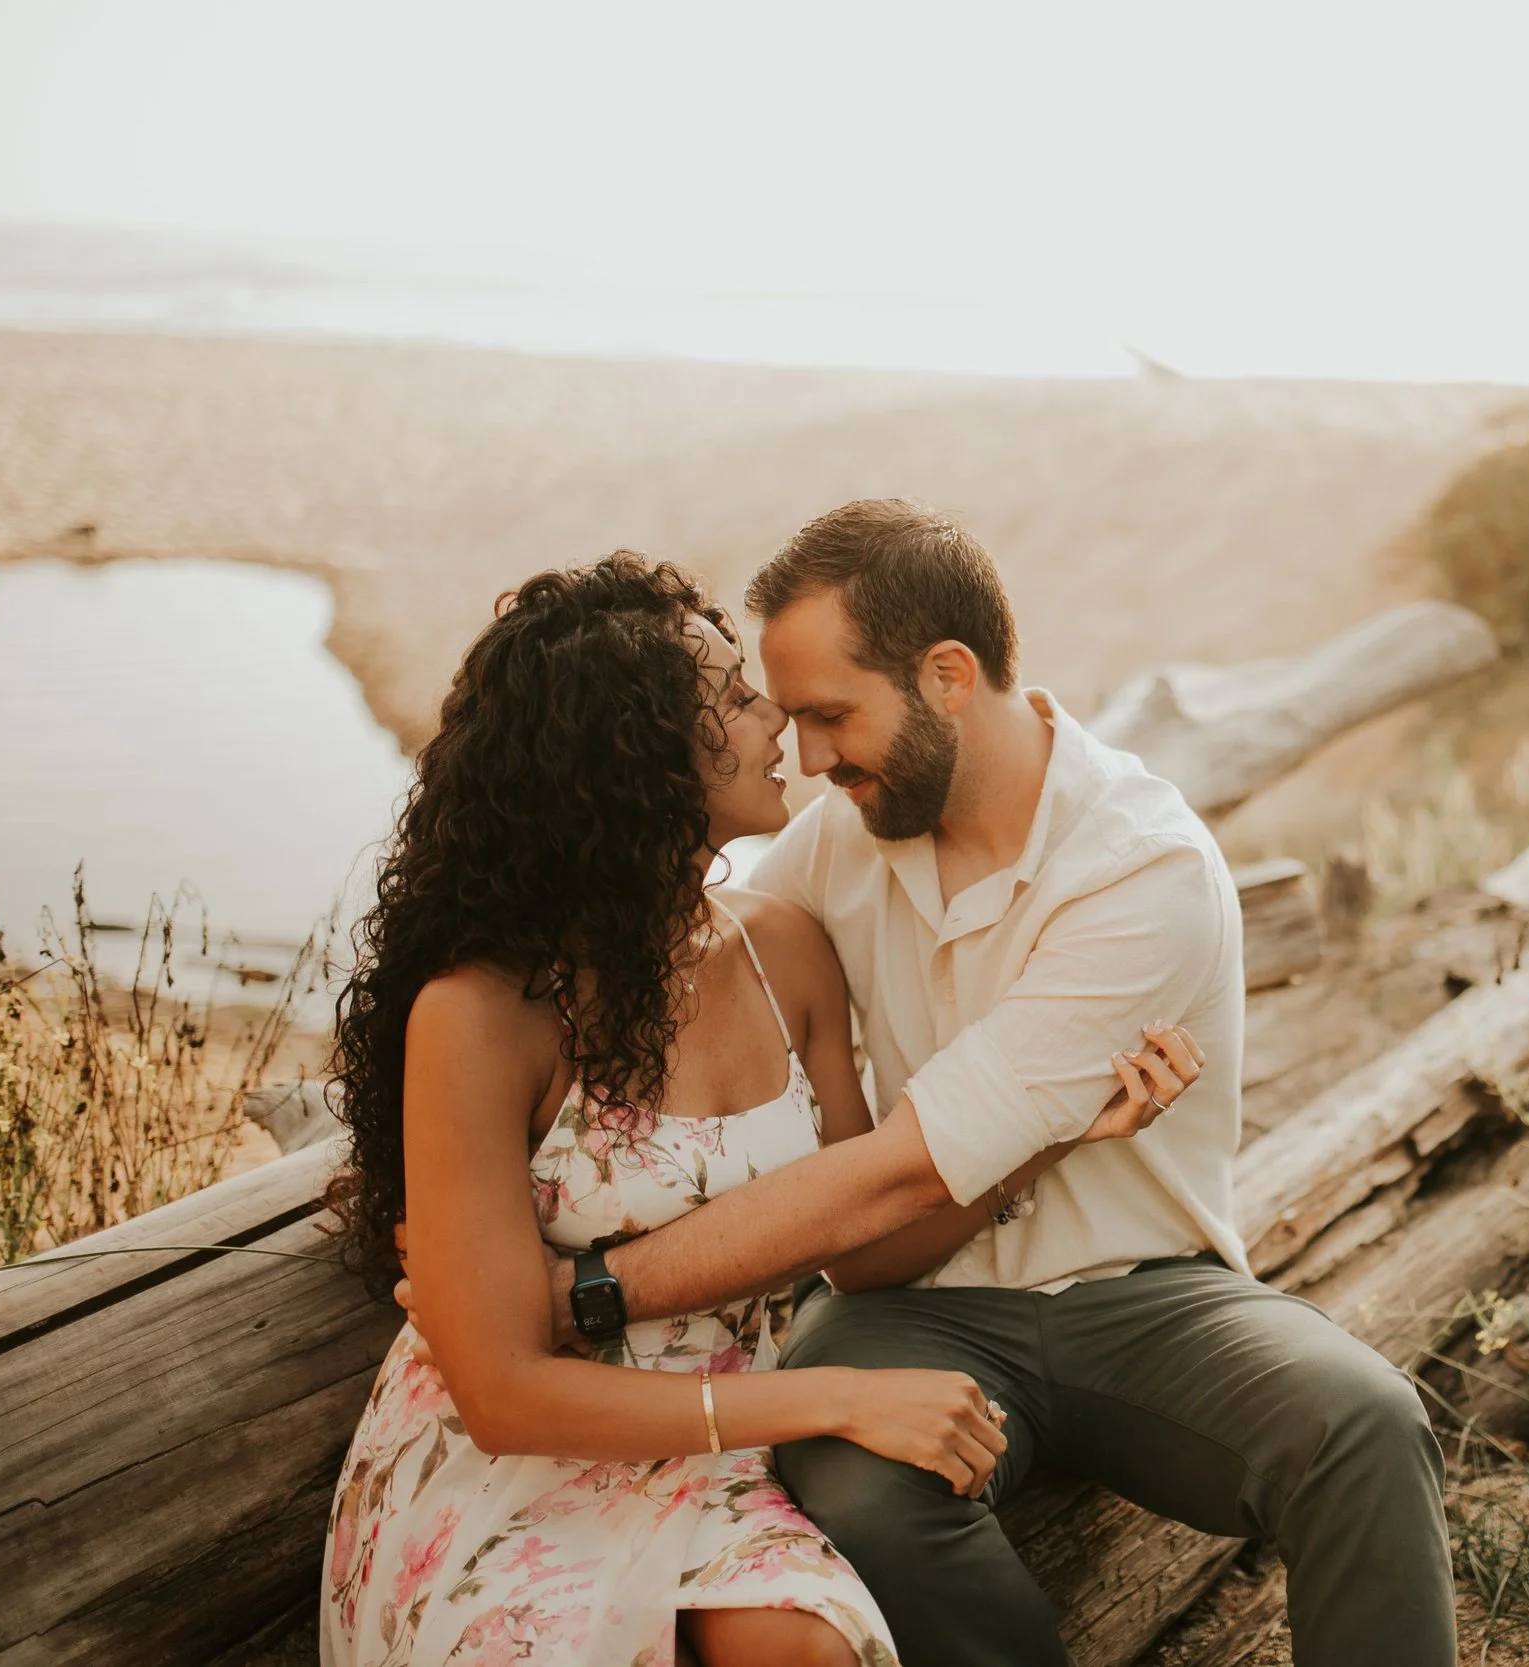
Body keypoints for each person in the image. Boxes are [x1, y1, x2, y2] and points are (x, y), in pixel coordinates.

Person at [420, 502, 1462, 1666]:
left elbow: (908, 1169)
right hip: (898, 1307)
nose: (811, 757)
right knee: (866, 1494)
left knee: (1363, 1422)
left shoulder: (1141, 869)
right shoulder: (840, 839)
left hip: (1143, 1292)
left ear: (948, 675)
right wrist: (464, 1180)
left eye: (831, 714)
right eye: (791, 718)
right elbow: (663, 960)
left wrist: (582, 1292)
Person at [320, 554, 1200, 1667]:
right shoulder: (481, 1013)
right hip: (522, 1467)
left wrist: (1052, 1131)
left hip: (731, 1454)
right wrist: (836, 1399)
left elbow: (862, 1250)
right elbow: (502, 1395)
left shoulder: (784, 948)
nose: (778, 720)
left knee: (809, 1648)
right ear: (634, 756)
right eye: (736, 698)